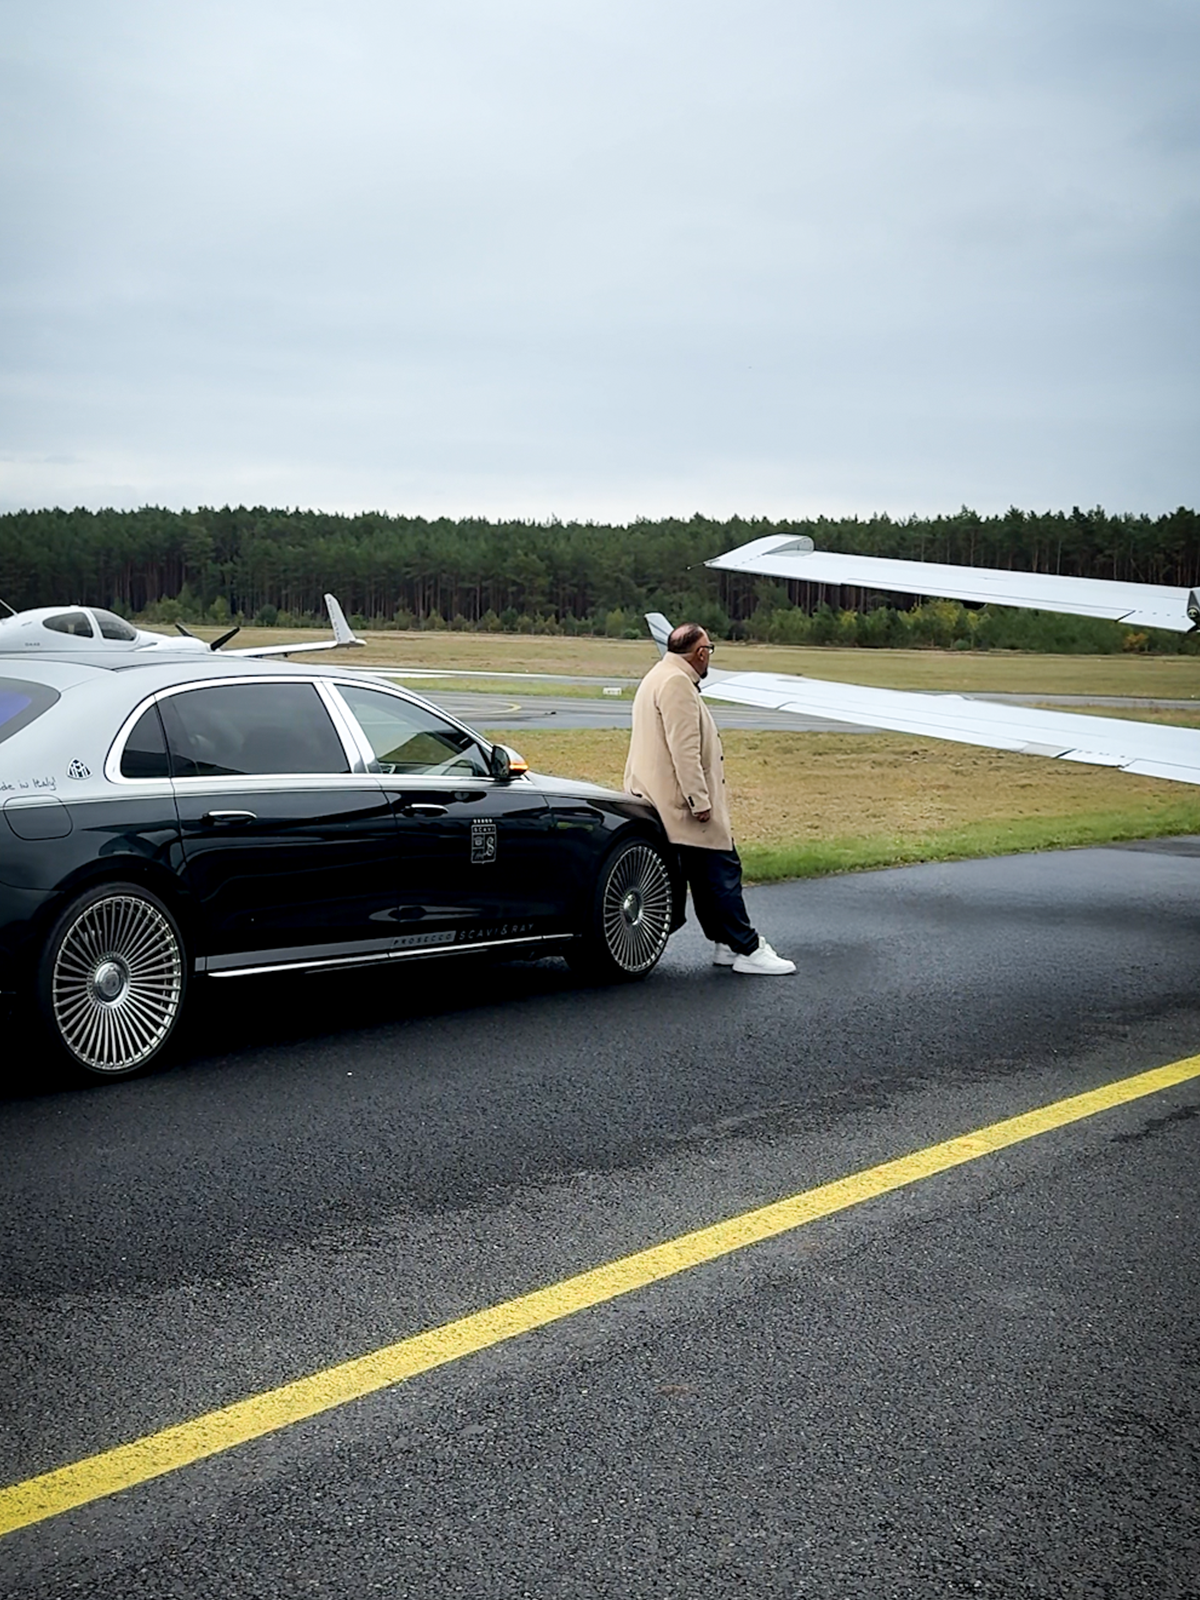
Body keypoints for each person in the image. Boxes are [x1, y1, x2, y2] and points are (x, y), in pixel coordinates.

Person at [624, 622, 795, 975]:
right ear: (700, 653)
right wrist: (699, 800)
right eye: (709, 649)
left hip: (660, 799)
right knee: (723, 870)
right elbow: (684, 750)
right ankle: (748, 947)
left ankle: (726, 944)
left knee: (704, 878)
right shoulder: (677, 684)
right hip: (682, 805)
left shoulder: (657, 675)